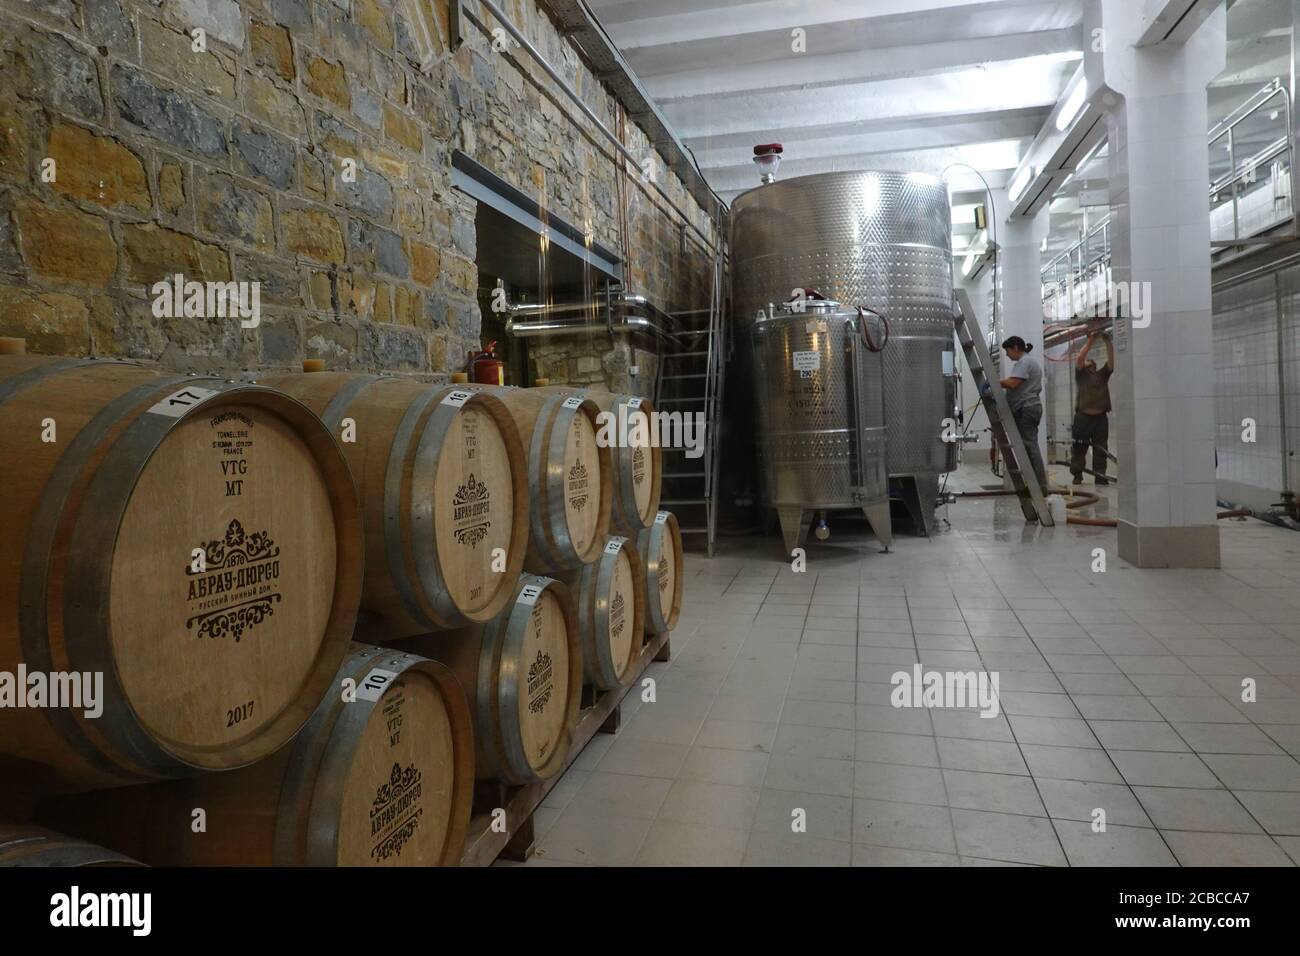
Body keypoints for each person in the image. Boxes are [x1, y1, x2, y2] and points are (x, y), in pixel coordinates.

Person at [982, 335, 1048, 494]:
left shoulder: (1024, 362)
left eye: (1008, 351)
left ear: (1016, 348)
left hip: (1026, 409)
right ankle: (1035, 485)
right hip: (1026, 407)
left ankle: (1040, 487)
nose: (1006, 355)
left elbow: (1012, 384)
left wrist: (993, 381)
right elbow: (1015, 388)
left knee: (1030, 447)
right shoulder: (1026, 362)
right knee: (1028, 448)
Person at [1071, 331, 1114, 485]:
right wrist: (1090, 341)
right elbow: (1080, 359)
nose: (1088, 365)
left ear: (1095, 366)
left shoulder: (1102, 376)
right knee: (1079, 448)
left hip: (1100, 418)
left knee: (1101, 448)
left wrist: (1107, 341)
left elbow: (1111, 362)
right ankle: (1077, 474)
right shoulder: (1081, 376)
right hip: (1083, 418)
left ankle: (1100, 475)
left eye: (1091, 364)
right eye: (1086, 364)